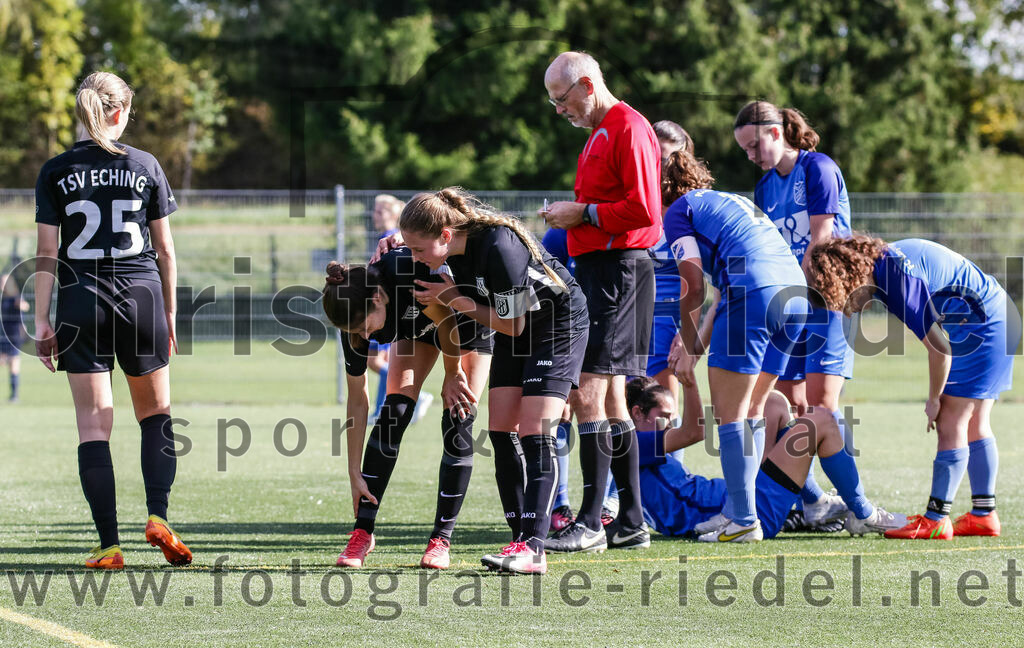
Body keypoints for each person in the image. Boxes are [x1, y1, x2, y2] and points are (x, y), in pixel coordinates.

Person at [661, 144, 904, 541]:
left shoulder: (677, 211)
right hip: (795, 300)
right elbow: (723, 282)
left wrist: (688, 347)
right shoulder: (727, 202)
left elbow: (691, 285)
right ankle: (739, 512)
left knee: (732, 415)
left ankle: (742, 521)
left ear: (661, 188)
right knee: (758, 406)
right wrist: (700, 339)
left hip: (753, 297)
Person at [34, 71, 189, 569]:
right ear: (121, 111)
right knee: (155, 415)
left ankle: (108, 545)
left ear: (84, 111)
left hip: (82, 301)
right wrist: (168, 312)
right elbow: (164, 248)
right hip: (141, 295)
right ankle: (159, 517)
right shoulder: (145, 164)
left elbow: (45, 252)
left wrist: (41, 319)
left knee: (93, 426)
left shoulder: (56, 169)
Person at [399, 187, 588, 575]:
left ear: (445, 235)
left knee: (536, 431)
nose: (415, 258)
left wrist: (454, 298)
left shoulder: (499, 247)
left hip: (556, 326)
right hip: (517, 331)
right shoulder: (454, 247)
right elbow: (509, 323)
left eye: (418, 250)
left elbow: (513, 324)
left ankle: (534, 548)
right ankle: (520, 537)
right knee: (501, 430)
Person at [806, 235, 1022, 539]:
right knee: (976, 422)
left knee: (950, 420)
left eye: (843, 298)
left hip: (983, 325)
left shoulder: (896, 281)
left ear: (850, 276)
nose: (847, 309)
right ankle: (983, 515)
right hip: (995, 314)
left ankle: (936, 519)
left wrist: (933, 399)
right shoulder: (884, 264)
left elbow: (940, 349)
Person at [541, 51, 661, 553]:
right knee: (611, 400)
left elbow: (644, 209)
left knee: (586, 393)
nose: (559, 111)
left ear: (587, 85)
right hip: (603, 272)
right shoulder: (600, 132)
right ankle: (630, 521)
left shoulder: (627, 127)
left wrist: (581, 213)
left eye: (562, 99)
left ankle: (591, 523)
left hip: (618, 272)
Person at [323, 249, 490, 569]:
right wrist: (353, 472)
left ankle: (441, 539)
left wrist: (453, 373)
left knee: (458, 415)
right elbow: (358, 401)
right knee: (394, 412)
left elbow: (447, 318)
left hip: (462, 321)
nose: (365, 337)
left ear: (378, 298)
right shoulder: (352, 319)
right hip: (416, 328)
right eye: (356, 332)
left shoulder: (408, 276)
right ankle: (362, 533)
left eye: (364, 328)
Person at [733, 101, 854, 519]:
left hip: (828, 300)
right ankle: (813, 502)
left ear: (775, 131)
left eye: (753, 145)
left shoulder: (818, 168)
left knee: (822, 406)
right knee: (784, 406)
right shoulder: (765, 187)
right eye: (744, 151)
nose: (751, 156)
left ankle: (857, 506)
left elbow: (820, 241)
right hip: (792, 305)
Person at [626, 377, 906, 539]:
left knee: (772, 402)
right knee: (821, 420)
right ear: (637, 413)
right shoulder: (634, 444)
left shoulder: (642, 445)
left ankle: (814, 504)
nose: (669, 424)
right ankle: (863, 514)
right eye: (663, 417)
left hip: (740, 499)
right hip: (745, 513)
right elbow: (694, 431)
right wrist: (688, 380)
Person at [366, 195, 436, 425]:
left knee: (377, 362)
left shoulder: (393, 238)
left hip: (389, 312)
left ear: (391, 214)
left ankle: (405, 399)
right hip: (387, 311)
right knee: (380, 362)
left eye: (379, 211)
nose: (374, 215)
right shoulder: (385, 237)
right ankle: (382, 408)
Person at [0, 273, 28, 402]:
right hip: (2, 334)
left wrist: (21, 304)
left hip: (14, 335)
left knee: (13, 364)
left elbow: (25, 306)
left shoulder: (16, 297)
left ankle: (14, 395)